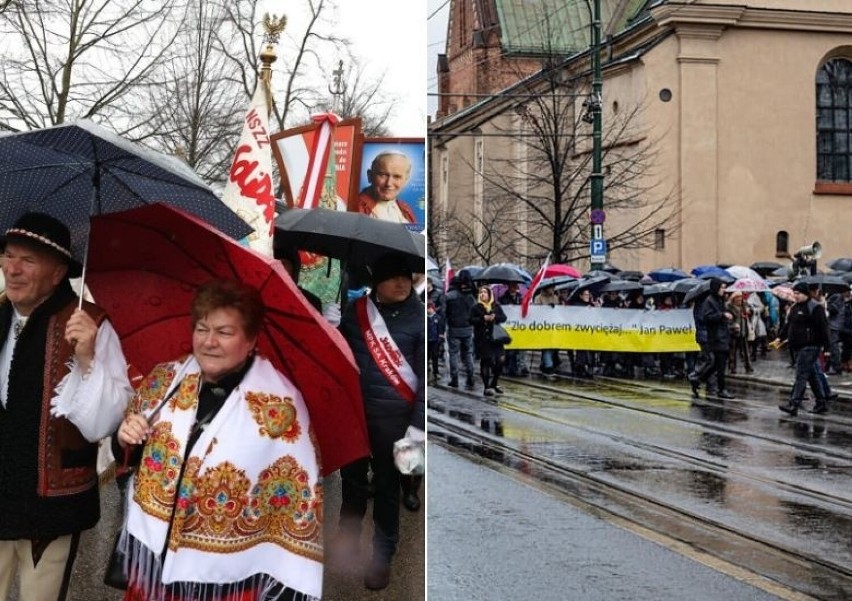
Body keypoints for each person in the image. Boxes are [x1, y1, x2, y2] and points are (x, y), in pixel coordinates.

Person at [114, 279, 322, 600]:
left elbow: (296, 499)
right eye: (201, 329)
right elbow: (129, 457)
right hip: (153, 563)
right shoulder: (166, 378)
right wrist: (127, 436)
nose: (209, 341)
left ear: (251, 339)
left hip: (227, 577)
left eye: (225, 332)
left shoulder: (281, 408)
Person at [0, 212, 133, 601]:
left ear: (59, 273)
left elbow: (103, 422)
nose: (13, 268)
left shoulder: (89, 325)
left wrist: (88, 358)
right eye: (8, 256)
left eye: (28, 260)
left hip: (50, 508)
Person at [336, 252, 425, 590]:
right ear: (376, 281)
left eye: (405, 276)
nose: (401, 282)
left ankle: (382, 555)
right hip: (356, 416)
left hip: (398, 423)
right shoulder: (356, 314)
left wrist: (416, 431)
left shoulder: (419, 320)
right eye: (392, 276)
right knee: (354, 483)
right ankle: (347, 539)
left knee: (389, 490)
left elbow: (423, 385)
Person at [777, 281, 832, 416]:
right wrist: (780, 337)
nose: (795, 296)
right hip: (798, 346)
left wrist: (827, 347)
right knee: (812, 376)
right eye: (794, 293)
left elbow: (824, 328)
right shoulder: (795, 307)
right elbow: (789, 324)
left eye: (798, 293)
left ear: (805, 293)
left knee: (801, 375)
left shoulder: (815, 307)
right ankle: (821, 402)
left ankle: (793, 404)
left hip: (810, 346)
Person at [695, 278, 735, 399]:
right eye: (722, 287)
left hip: (723, 336)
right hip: (716, 338)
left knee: (715, 365)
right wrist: (722, 315)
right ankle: (722, 390)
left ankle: (697, 379)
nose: (724, 290)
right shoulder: (709, 301)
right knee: (720, 366)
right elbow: (706, 317)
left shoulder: (719, 300)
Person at [357, 152, 416, 224]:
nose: (389, 183)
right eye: (383, 175)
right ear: (370, 176)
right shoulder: (355, 208)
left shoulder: (406, 209)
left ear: (406, 180)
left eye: (397, 177)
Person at [470, 286, 508, 396]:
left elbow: (503, 318)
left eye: (485, 292)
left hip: (496, 338)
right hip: (483, 338)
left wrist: (495, 316)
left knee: (500, 359)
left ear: (490, 295)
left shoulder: (495, 306)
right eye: (481, 292)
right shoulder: (476, 307)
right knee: (486, 361)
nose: (482, 294)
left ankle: (494, 383)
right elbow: (471, 320)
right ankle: (487, 387)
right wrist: (483, 318)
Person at [444, 270, 477, 390]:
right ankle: (471, 377)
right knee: (468, 353)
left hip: (454, 328)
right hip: (468, 328)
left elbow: (444, 312)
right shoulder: (472, 296)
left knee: (453, 354)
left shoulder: (450, 296)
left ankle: (454, 379)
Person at [272, 239, 323, 313]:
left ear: (295, 268)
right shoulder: (264, 297)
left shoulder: (311, 303)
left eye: (283, 264)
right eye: (276, 264)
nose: (279, 268)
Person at [498, 282, 528, 377]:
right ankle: (508, 367)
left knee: (519, 347)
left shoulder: (521, 298)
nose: (514, 288)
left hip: (518, 326)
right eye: (512, 286)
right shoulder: (503, 298)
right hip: (508, 326)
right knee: (509, 348)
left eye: (515, 286)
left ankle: (518, 367)